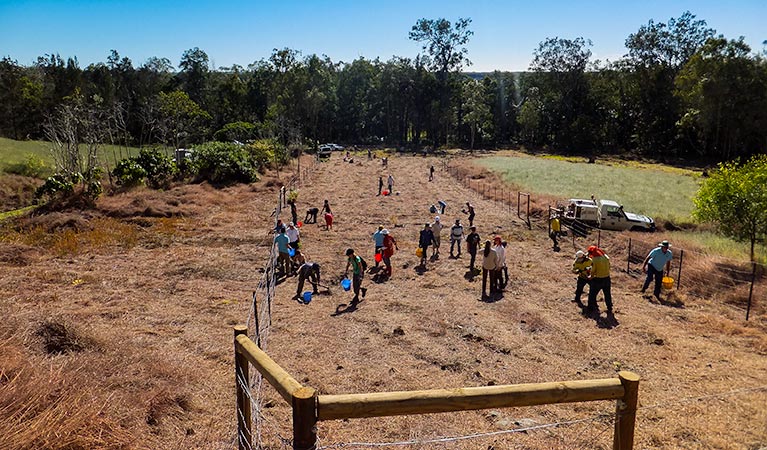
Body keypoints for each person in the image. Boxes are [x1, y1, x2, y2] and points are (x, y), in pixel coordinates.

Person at [586, 246, 612, 315]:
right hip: (607, 278)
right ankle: (609, 307)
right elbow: (609, 266)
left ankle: (590, 308)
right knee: (607, 294)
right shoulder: (606, 257)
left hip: (598, 279)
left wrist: (590, 276)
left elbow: (593, 271)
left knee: (592, 294)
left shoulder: (595, 259)